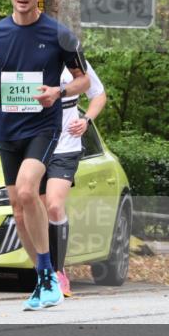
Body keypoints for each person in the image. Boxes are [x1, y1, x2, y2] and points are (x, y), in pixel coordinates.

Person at [0, 0, 90, 310]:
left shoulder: (58, 33)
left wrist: (58, 92)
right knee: (18, 206)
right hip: (8, 128)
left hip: (43, 126)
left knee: (29, 190)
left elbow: (83, 80)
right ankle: (44, 278)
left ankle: (48, 276)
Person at [35, 61, 106, 297]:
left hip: (66, 146)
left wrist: (86, 120)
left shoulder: (75, 64)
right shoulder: (28, 57)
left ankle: (58, 271)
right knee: (41, 208)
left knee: (54, 205)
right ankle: (44, 270)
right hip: (34, 145)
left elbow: (99, 95)